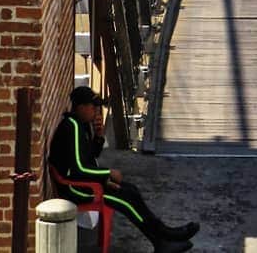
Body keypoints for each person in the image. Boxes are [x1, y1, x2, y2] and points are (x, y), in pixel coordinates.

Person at [48, 87, 199, 253]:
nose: (96, 111)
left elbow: (89, 157)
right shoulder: (72, 127)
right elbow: (78, 168)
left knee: (131, 191)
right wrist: (107, 174)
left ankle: (165, 232)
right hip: (77, 190)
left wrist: (98, 136)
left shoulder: (82, 125)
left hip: (85, 183)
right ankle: (159, 241)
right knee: (125, 202)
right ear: (81, 107)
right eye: (92, 107)